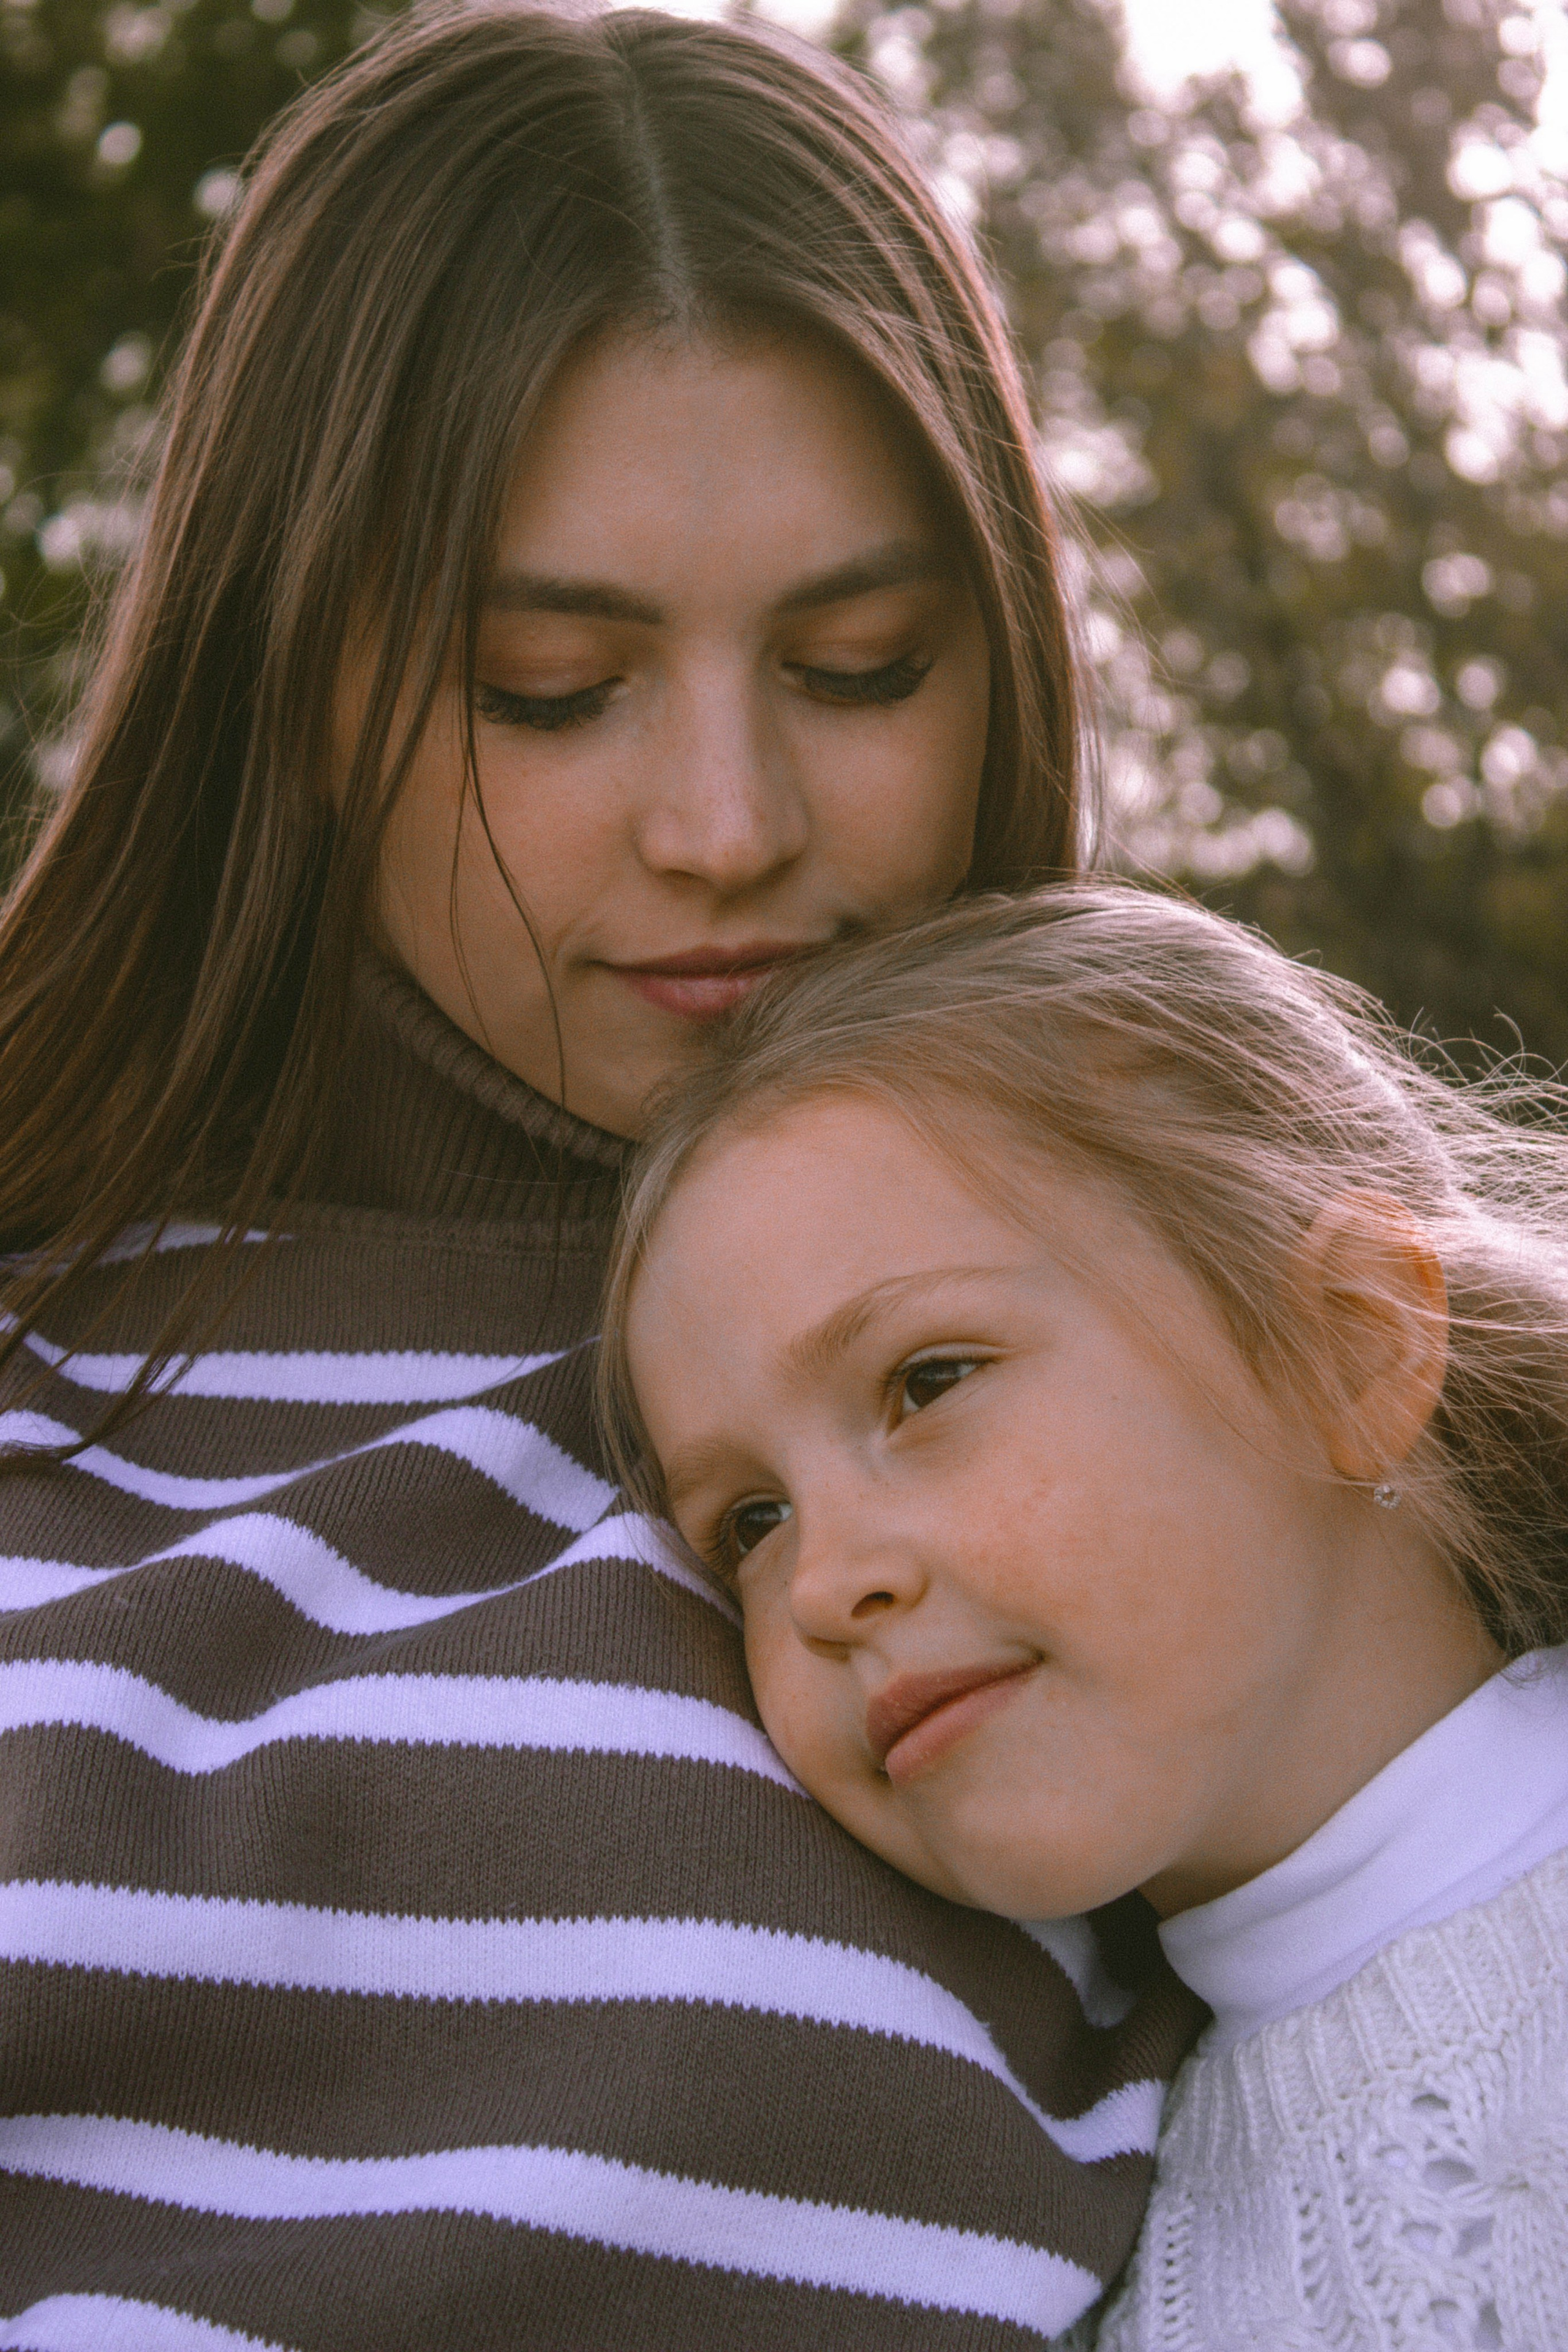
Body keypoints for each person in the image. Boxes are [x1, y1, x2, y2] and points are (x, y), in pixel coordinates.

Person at [0, 9, 1205, 2344]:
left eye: (862, 667)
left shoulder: (1183, 1380)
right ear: (297, 689)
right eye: (553, 687)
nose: (731, 827)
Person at [607, 883, 1568, 2352]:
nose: (817, 1587)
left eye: (926, 1382)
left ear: (1352, 1347)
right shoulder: (1071, 2248)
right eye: (748, 1521)